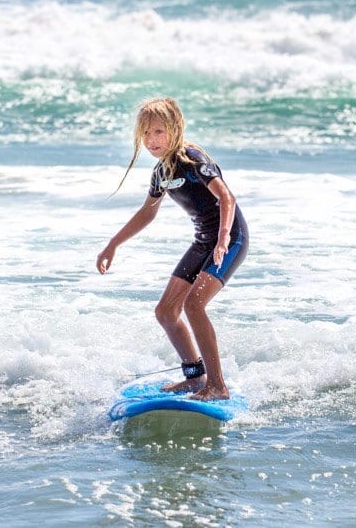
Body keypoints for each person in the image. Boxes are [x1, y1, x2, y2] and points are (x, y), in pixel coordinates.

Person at [96, 98, 248, 401]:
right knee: (166, 311)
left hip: (229, 239)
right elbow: (147, 213)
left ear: (175, 129)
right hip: (203, 241)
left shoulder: (193, 160)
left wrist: (222, 238)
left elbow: (226, 198)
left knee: (193, 305)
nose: (151, 141)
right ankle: (195, 377)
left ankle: (217, 386)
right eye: (146, 134)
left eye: (158, 132)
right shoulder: (160, 173)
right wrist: (113, 244)